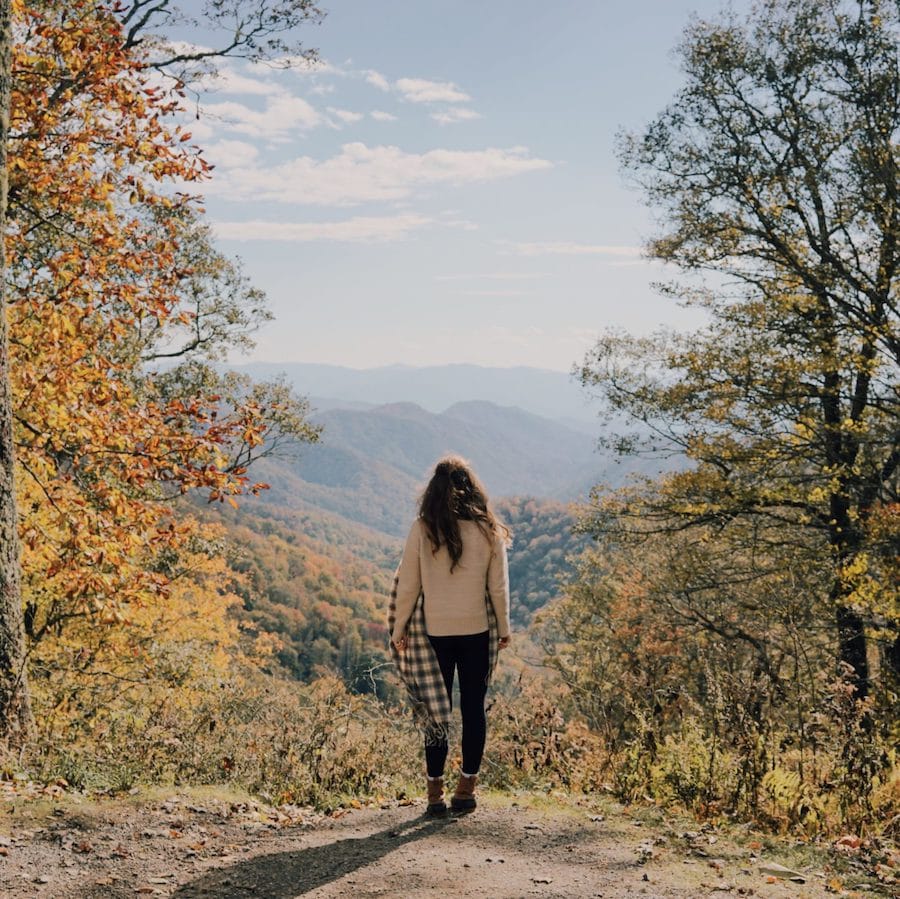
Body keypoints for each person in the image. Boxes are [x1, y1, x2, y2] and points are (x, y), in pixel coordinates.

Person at [390, 455, 511, 816]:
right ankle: (466, 791)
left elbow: (409, 584)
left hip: (433, 632)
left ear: (433, 492)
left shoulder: (423, 528)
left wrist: (399, 629)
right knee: (473, 709)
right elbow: (498, 588)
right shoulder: (488, 530)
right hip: (476, 630)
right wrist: (504, 628)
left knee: (435, 711)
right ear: (472, 488)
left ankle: (434, 796)